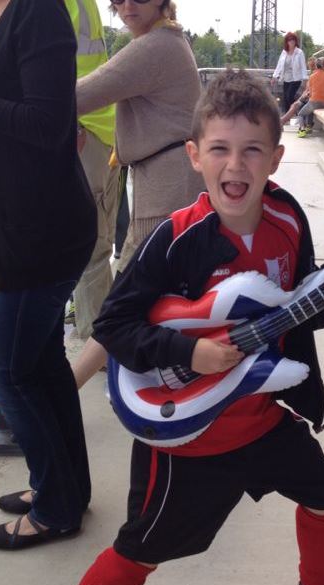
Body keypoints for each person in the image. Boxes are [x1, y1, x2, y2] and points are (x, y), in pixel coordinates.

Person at [41, 69, 324, 585]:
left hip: (263, 415)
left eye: (253, 150)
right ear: (195, 156)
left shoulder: (287, 218)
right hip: (190, 437)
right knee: (141, 550)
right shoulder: (175, 239)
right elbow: (114, 326)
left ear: (276, 158)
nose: (236, 164)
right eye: (220, 148)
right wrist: (188, 351)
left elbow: (299, 310)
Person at [0, 0, 96, 548]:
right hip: (18, 224)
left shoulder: (38, 12)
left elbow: (48, 125)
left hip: (45, 229)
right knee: (42, 364)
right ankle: (66, 489)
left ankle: (55, 509)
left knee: (3, 367)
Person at [69, 0, 205, 389]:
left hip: (167, 187)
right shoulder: (165, 39)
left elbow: (77, 96)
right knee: (139, 297)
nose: (127, 5)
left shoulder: (155, 46)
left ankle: (67, 390)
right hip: (164, 179)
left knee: (124, 301)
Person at [68, 0, 120, 341]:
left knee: (92, 245)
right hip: (99, 129)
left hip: (85, 131)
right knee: (97, 242)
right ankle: (93, 324)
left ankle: (98, 339)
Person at [297, 57, 324, 137]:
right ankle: (309, 126)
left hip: (314, 102)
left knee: (300, 114)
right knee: (309, 108)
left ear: (316, 65)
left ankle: (302, 130)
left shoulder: (312, 76)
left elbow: (310, 92)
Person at [272, 31, 309, 112]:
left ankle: (295, 110)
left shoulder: (299, 52)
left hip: (296, 78)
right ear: (287, 42)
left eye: (293, 40)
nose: (291, 42)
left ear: (295, 41)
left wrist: (305, 79)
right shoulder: (284, 52)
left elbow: (303, 66)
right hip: (286, 78)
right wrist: (274, 76)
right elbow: (279, 65)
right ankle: (288, 115)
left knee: (289, 96)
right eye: (289, 40)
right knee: (285, 98)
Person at [280, 56, 316, 126]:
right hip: (309, 97)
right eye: (310, 66)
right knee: (294, 104)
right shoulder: (312, 75)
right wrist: (302, 97)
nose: (311, 68)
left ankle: (283, 121)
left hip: (312, 98)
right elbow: (307, 90)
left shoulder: (315, 76)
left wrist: (304, 97)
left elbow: (313, 90)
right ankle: (283, 121)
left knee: (295, 105)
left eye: (312, 66)